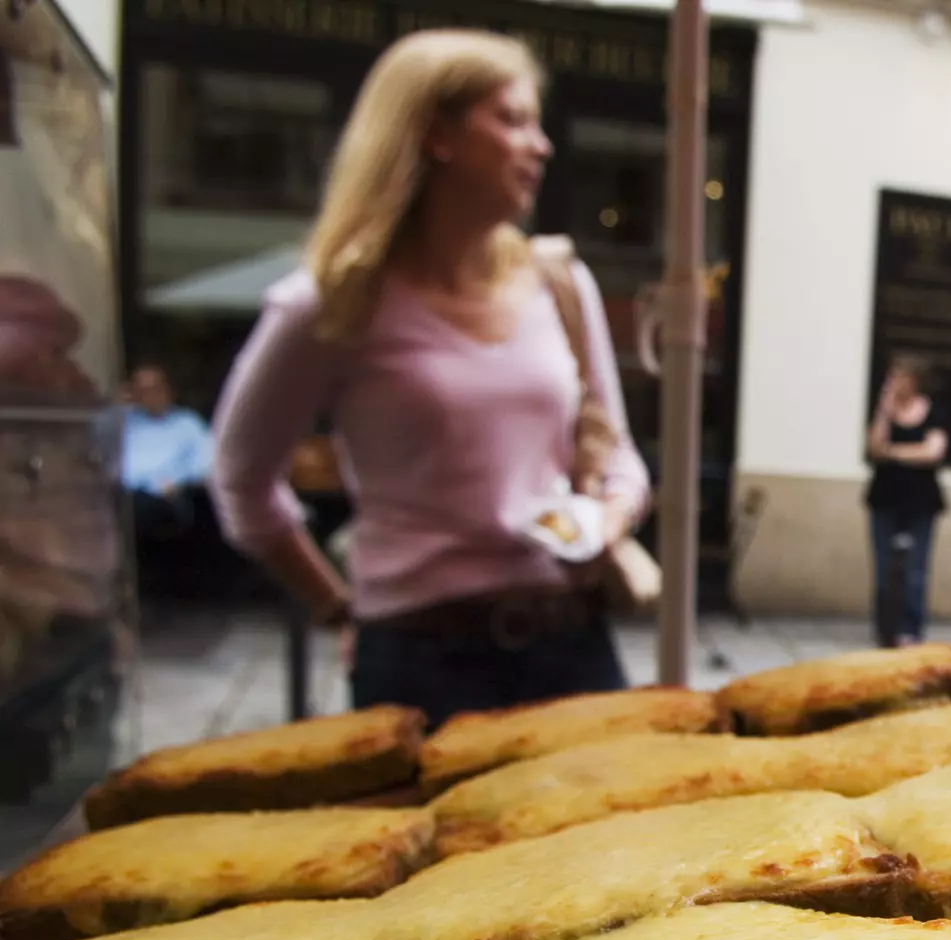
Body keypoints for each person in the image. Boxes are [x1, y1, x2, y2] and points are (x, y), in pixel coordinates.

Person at [210, 31, 647, 728]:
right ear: (434, 134)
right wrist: (333, 605)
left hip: (573, 641)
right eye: (512, 120)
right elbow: (241, 482)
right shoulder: (331, 302)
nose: (541, 145)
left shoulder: (559, 284)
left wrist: (607, 521)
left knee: (617, 836)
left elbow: (617, 451)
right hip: (420, 657)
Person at [863, 356, 947, 646]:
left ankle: (911, 629)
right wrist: (884, 410)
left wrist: (894, 453)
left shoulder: (933, 411)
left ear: (914, 380)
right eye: (893, 376)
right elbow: (874, 447)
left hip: (921, 501)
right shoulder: (885, 410)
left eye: (901, 376)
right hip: (885, 497)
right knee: (883, 567)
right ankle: (885, 628)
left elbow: (932, 452)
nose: (896, 382)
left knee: (915, 569)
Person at [120, 364, 214, 541]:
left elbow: (206, 468)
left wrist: (180, 484)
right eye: (141, 390)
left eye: (155, 389)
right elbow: (94, 451)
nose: (149, 396)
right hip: (124, 497)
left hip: (169, 499)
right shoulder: (124, 422)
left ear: (169, 390)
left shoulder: (187, 423)